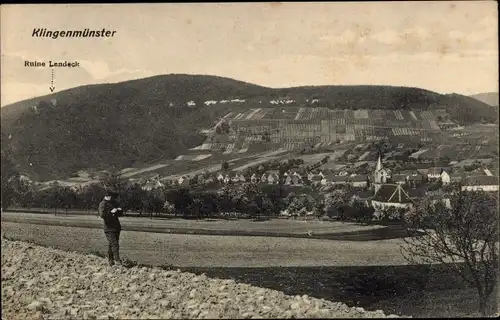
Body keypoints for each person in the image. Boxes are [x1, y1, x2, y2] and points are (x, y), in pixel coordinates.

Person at [98, 190, 124, 266]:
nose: (113, 199)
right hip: (109, 228)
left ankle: (110, 261)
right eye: (112, 197)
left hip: (116, 227)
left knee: (111, 245)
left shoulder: (113, 203)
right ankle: (117, 261)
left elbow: (120, 214)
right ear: (107, 196)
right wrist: (112, 212)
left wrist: (119, 210)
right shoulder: (102, 204)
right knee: (114, 244)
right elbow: (102, 215)